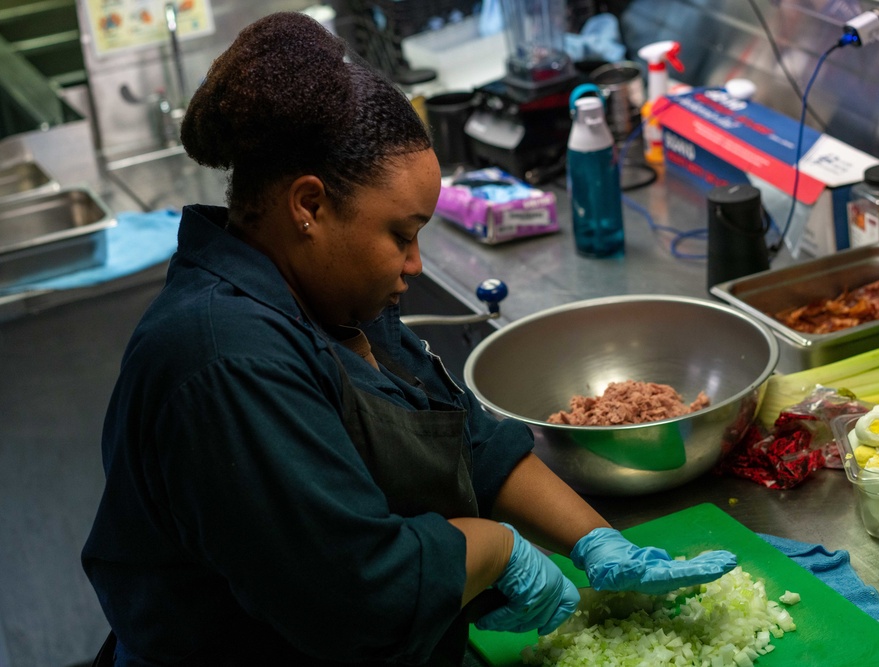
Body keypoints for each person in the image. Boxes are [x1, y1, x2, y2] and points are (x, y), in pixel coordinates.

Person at [81, 12, 737, 666]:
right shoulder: (224, 362)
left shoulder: (328, 294)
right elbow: (361, 593)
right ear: (309, 206)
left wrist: (597, 541)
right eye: (401, 234)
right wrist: (498, 547)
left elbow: (463, 438)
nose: (415, 263)